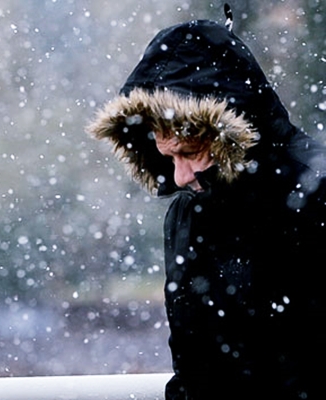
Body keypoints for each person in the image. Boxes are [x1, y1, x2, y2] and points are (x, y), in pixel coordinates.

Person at [87, 5, 326, 400]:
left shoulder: (315, 198)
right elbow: (194, 367)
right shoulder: (189, 214)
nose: (179, 177)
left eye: (190, 152)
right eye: (169, 157)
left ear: (231, 129)